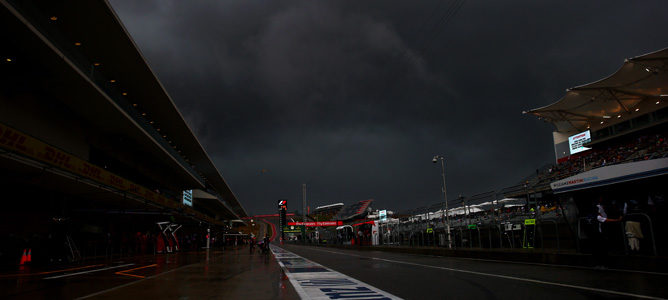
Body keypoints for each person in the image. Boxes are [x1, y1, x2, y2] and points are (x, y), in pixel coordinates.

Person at [593, 197, 622, 269]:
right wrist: (617, 220)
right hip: (599, 234)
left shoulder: (599, 215)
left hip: (601, 233)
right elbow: (606, 220)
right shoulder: (597, 217)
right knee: (601, 250)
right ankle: (602, 264)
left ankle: (603, 264)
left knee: (602, 250)